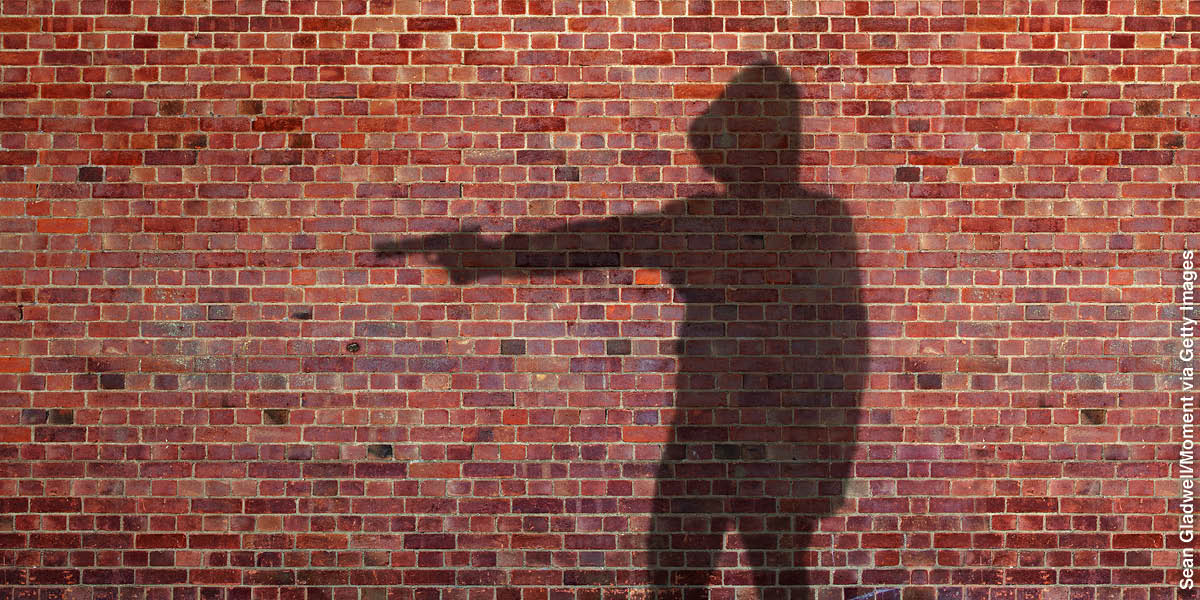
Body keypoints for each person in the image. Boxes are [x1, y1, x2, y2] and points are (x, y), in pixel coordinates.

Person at [374, 62, 867, 600]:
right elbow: (846, 350)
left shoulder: (718, 221)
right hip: (748, 443)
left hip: (734, 442)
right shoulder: (813, 221)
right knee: (763, 578)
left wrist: (492, 257)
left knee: (698, 579)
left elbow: (600, 242)